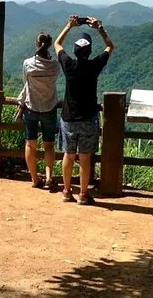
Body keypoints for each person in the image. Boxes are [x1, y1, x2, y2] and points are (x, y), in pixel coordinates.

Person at [54, 15, 114, 205]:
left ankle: (66, 191)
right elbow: (110, 46)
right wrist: (99, 28)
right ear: (89, 51)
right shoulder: (94, 65)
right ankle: (83, 194)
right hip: (88, 118)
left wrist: (69, 26)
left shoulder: (68, 65)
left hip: (68, 119)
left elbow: (57, 43)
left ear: (74, 50)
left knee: (68, 155)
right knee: (85, 158)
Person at [15, 32, 60, 190]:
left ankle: (35, 179)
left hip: (31, 107)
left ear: (36, 44)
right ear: (49, 45)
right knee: (49, 144)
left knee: (30, 144)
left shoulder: (27, 64)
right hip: (49, 108)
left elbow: (25, 83)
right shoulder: (55, 66)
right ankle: (49, 177)